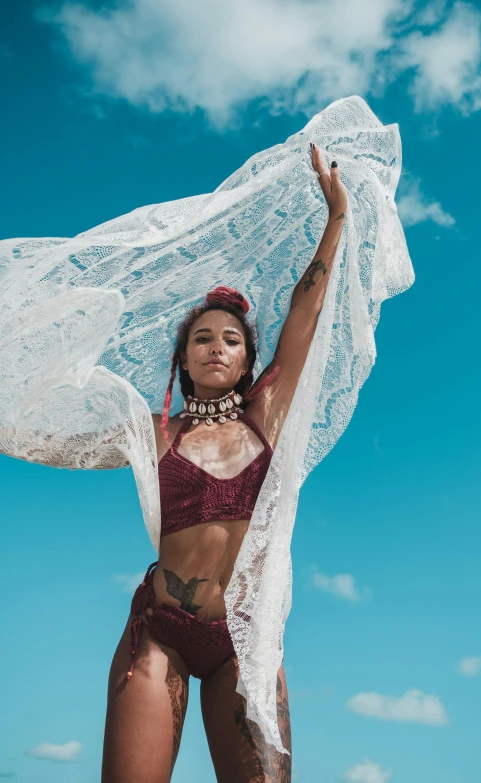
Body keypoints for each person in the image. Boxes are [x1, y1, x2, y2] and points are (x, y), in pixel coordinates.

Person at [101, 144, 347, 782]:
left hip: (244, 641)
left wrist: (336, 220)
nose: (216, 347)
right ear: (182, 360)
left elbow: (306, 312)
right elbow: (62, 442)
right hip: (160, 634)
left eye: (231, 340)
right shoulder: (155, 432)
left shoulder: (264, 418)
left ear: (246, 361)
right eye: (201, 339)